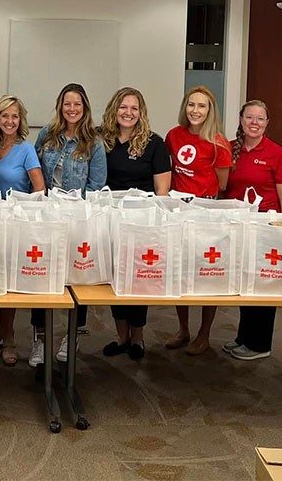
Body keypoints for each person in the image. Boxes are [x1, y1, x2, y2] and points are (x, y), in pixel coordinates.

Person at [31, 83, 106, 367]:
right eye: (67, 104)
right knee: (41, 276)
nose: (72, 109)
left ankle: (72, 335)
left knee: (79, 280)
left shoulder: (94, 142)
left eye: (77, 104)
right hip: (47, 217)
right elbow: (35, 175)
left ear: (85, 107)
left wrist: (73, 208)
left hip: (78, 219)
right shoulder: (47, 135)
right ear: (60, 106)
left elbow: (97, 187)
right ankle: (38, 338)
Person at [99, 87, 171, 361]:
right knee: (116, 276)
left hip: (142, 221)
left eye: (134, 108)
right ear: (114, 110)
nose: (128, 113)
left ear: (141, 113)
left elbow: (162, 190)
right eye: (123, 107)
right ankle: (121, 336)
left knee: (138, 278)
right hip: (110, 219)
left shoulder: (154, 143)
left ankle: (138, 338)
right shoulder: (101, 140)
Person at [223, 99, 282, 361]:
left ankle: (260, 344)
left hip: (267, 228)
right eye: (249, 117)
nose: (254, 123)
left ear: (267, 123)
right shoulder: (230, 149)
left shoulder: (276, 154)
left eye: (260, 118)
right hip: (238, 226)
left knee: (263, 283)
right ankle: (244, 337)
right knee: (244, 282)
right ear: (241, 120)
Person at [165, 85, 231, 356]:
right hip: (178, 211)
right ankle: (183, 329)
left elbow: (223, 183)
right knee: (180, 270)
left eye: (202, 106)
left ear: (210, 110)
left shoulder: (218, 143)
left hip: (207, 212)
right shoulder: (173, 135)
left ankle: (204, 334)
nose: (195, 110)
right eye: (191, 104)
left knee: (207, 273)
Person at [0, 95, 45, 366]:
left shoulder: (26, 149)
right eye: (5, 115)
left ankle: (9, 337)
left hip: (15, 222)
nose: (10, 121)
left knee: (9, 279)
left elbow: (40, 189)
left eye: (15, 116)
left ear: (21, 121)